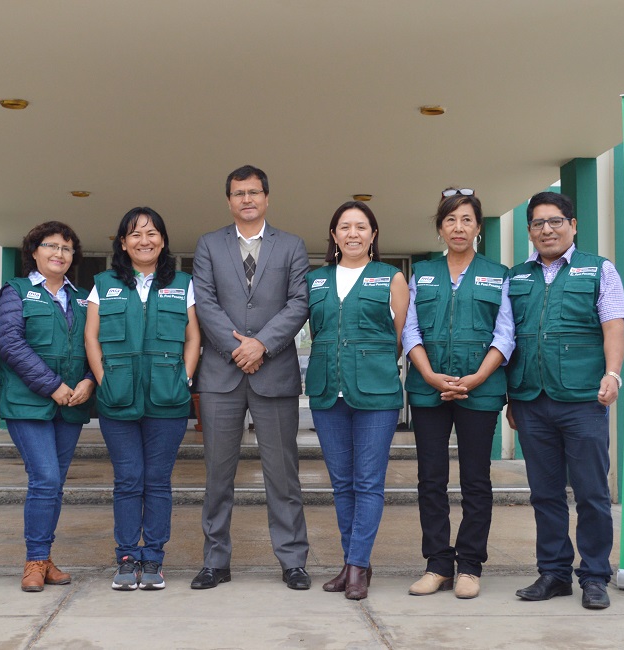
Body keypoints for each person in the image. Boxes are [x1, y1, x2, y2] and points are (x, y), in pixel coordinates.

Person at [191, 165, 312, 590]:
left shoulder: (292, 246)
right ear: (229, 200)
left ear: (266, 198)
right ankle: (215, 562)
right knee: (217, 476)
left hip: (273, 372)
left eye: (254, 192)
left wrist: (261, 345)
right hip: (220, 376)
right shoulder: (208, 244)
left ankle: (293, 561)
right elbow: (205, 302)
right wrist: (238, 349)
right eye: (239, 193)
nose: (247, 199)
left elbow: (299, 303)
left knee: (283, 475)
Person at [507, 190, 624, 610]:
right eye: (538, 223)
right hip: (531, 399)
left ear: (572, 225)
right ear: (529, 231)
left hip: (582, 400)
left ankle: (594, 576)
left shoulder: (599, 270)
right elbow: (508, 337)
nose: (547, 230)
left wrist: (613, 374)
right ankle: (554, 573)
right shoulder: (516, 277)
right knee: (545, 494)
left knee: (591, 492)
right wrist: (511, 398)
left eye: (555, 221)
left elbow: (614, 326)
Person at [402, 187, 514, 600]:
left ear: (478, 227)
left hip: (480, 391)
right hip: (428, 389)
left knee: (475, 480)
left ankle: (469, 566)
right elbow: (409, 328)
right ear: (440, 228)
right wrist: (429, 374)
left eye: (467, 219)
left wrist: (477, 377)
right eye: (450, 220)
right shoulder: (422, 273)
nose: (458, 227)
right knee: (430, 479)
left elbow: (506, 333)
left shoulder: (499, 274)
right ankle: (437, 565)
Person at [86, 207, 201, 591]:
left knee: (157, 480)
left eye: (152, 233)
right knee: (128, 479)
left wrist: (184, 378)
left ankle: (153, 558)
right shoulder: (103, 283)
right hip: (117, 397)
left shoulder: (183, 283)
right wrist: (103, 380)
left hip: (168, 397)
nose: (144, 240)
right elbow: (91, 336)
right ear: (123, 243)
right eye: (135, 234)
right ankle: (125, 557)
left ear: (163, 241)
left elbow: (193, 337)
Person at [305, 201, 408, 600]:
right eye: (345, 227)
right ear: (334, 235)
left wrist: (367, 362)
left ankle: (357, 566)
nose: (353, 233)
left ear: (373, 234)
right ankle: (353, 562)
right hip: (327, 393)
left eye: (361, 226)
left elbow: (398, 337)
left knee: (367, 482)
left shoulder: (391, 277)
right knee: (341, 484)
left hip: (376, 394)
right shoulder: (316, 280)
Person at [0, 221, 94, 592]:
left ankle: (45, 558)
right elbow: (11, 343)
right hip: (28, 403)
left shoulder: (84, 297)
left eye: (66, 248)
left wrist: (89, 380)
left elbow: (98, 344)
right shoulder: (16, 292)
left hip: (71, 405)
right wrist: (53, 386)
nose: (59, 253)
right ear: (34, 252)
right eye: (51, 246)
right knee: (46, 478)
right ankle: (35, 561)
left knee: (54, 483)